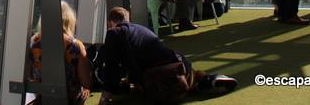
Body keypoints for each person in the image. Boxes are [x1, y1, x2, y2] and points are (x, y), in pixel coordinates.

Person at [96, 7, 236, 104]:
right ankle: (209, 79)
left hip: (160, 77)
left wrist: (106, 94)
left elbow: (111, 66)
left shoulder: (113, 33)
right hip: (179, 63)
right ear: (128, 19)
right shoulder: (142, 29)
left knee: (151, 86)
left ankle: (199, 84)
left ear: (110, 23)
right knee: (192, 76)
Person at [28, 1, 92, 104]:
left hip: (42, 100)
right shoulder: (75, 45)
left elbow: (28, 75)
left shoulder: (32, 42)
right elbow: (86, 82)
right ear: (68, 21)